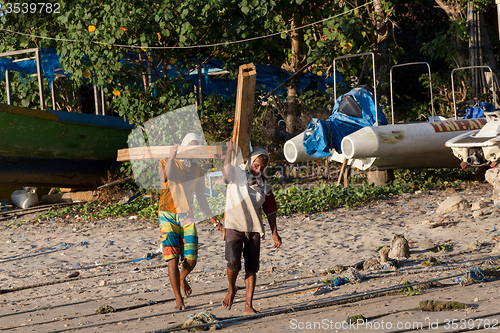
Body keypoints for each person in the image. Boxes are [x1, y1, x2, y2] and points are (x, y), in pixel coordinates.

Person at [158, 133, 221, 310]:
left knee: (191, 259)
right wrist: (171, 157)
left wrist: (212, 218)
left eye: (196, 149)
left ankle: (180, 278)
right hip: (168, 213)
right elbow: (163, 178)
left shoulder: (197, 170)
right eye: (190, 147)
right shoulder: (167, 162)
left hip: (187, 214)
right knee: (173, 259)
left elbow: (201, 196)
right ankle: (178, 299)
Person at [221, 139, 282, 315]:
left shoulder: (265, 184)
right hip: (233, 225)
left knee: (251, 267)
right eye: (256, 165)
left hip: (254, 229)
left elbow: (270, 210)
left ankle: (248, 304)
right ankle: (232, 289)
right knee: (233, 264)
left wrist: (274, 233)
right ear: (250, 163)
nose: (259, 170)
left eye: (262, 167)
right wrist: (229, 152)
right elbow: (225, 175)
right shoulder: (237, 175)